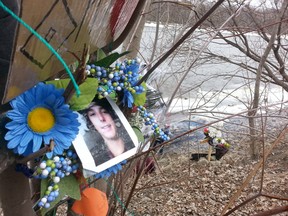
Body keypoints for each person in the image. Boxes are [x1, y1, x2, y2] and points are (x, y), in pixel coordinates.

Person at [82, 98, 135, 166]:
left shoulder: (134, 143)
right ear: (91, 124)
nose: (101, 118)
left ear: (112, 116)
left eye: (104, 111)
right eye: (93, 114)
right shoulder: (95, 159)